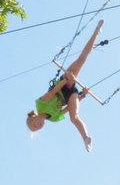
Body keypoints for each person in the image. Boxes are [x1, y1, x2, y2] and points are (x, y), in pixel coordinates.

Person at [26, 20, 103, 152]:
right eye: (37, 128)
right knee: (74, 118)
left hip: (63, 86)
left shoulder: (40, 104)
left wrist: (67, 79)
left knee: (82, 59)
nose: (39, 126)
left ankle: (96, 32)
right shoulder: (54, 119)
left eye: (35, 125)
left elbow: (53, 91)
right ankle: (86, 138)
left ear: (34, 118)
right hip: (69, 96)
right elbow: (67, 109)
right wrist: (82, 96)